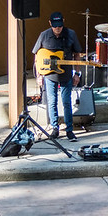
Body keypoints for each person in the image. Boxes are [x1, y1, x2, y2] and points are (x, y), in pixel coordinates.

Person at [32, 11, 81, 141]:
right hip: (49, 74)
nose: (57, 28)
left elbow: (77, 55)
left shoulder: (71, 34)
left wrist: (76, 73)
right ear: (50, 24)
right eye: (54, 26)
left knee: (66, 101)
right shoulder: (44, 35)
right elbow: (37, 55)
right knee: (52, 102)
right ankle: (55, 128)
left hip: (66, 74)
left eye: (59, 26)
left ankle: (69, 130)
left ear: (63, 22)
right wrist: (39, 74)